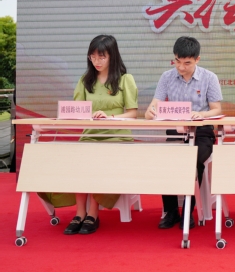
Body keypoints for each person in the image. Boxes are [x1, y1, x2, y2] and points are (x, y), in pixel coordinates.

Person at [60, 35, 138, 235]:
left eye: (102, 57)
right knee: (76, 161)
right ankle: (79, 213)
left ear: (112, 56)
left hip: (117, 136)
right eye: (92, 57)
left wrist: (110, 117)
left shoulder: (125, 79)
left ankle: (93, 213)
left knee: (97, 161)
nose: (97, 61)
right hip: (90, 135)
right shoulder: (85, 80)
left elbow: (132, 113)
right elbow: (77, 111)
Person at [145, 36, 222, 230]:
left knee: (193, 160)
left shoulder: (209, 77)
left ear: (197, 59)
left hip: (202, 132)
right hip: (175, 131)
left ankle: (188, 211)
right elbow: (154, 106)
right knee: (167, 160)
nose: (181, 67)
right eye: (177, 61)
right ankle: (171, 211)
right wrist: (150, 112)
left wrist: (201, 114)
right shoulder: (166, 77)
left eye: (187, 63)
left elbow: (216, 109)